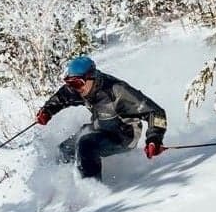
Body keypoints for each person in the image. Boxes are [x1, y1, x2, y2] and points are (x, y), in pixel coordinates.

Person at [35, 55, 168, 180]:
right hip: (100, 127)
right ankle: (61, 187)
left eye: (76, 83)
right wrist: (47, 111)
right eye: (70, 83)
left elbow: (156, 112)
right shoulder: (80, 88)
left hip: (123, 136)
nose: (74, 88)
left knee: (85, 144)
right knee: (64, 150)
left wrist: (154, 139)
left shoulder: (117, 91)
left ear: (91, 77)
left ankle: (90, 191)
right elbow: (62, 96)